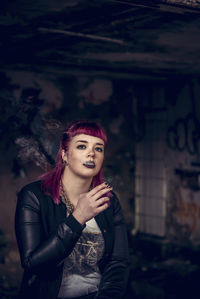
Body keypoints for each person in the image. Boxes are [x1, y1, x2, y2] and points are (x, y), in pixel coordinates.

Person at [15, 120, 130, 299]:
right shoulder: (33, 196)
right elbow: (32, 264)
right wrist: (77, 218)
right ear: (65, 155)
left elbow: (118, 263)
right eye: (82, 146)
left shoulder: (109, 201)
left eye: (98, 148)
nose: (91, 153)